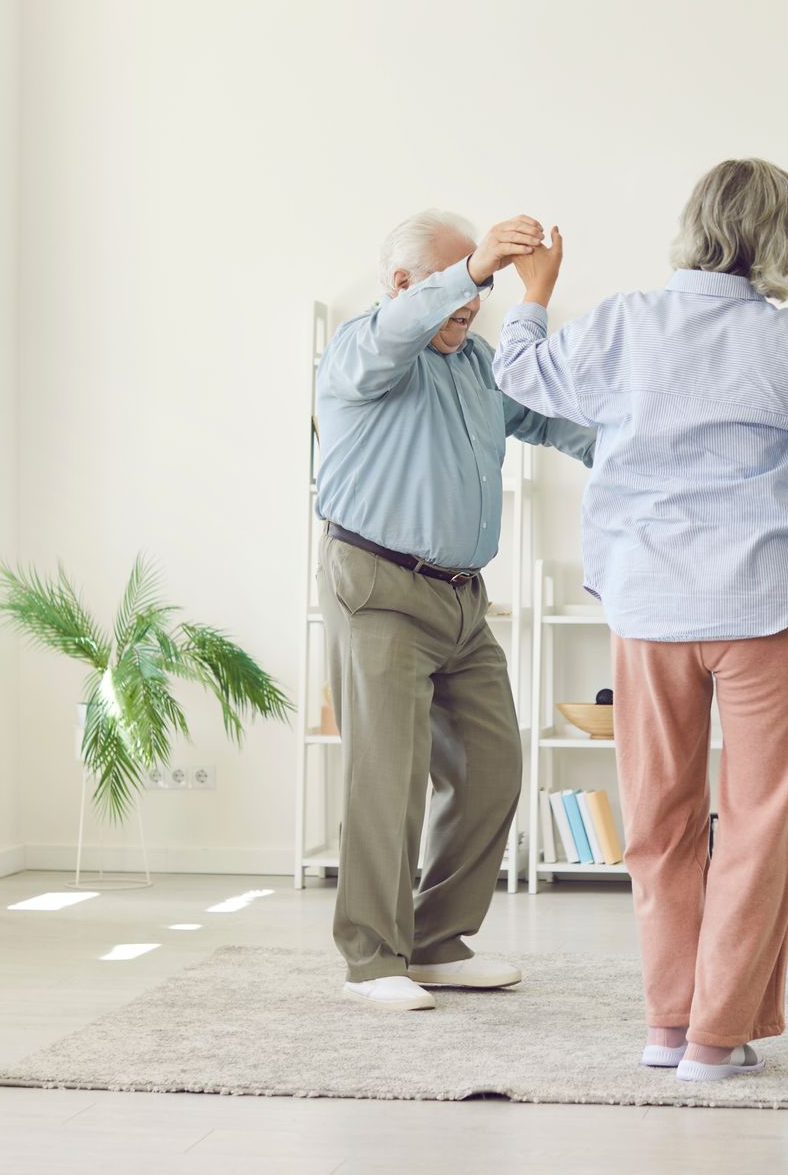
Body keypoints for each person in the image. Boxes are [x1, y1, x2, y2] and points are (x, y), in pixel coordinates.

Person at [492, 159, 788, 1081]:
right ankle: (715, 1037)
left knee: (659, 823)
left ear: (693, 224)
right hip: (765, 608)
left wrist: (535, 294)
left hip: (648, 607)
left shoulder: (623, 323)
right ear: (781, 245)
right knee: (760, 827)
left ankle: (667, 1025)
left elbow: (523, 373)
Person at [316, 209, 595, 1012]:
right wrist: (473, 267)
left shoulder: (476, 367)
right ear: (406, 284)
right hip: (377, 584)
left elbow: (553, 422)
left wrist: (650, 451)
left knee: (491, 764)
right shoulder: (364, 349)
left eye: (480, 297)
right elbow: (402, 330)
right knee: (386, 777)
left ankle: (436, 944)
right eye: (459, 290)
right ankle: (372, 959)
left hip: (462, 599)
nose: (472, 307)